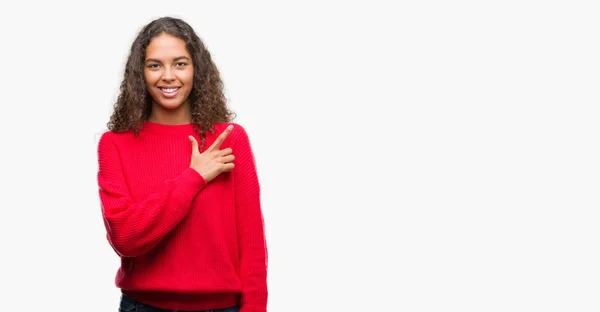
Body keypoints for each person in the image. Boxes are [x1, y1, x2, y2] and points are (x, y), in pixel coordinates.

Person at [96, 16, 268, 312]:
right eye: (154, 65)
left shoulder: (229, 139)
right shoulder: (114, 144)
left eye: (180, 63)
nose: (168, 76)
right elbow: (125, 237)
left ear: (196, 70)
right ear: (140, 74)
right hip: (144, 307)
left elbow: (252, 245)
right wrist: (194, 177)